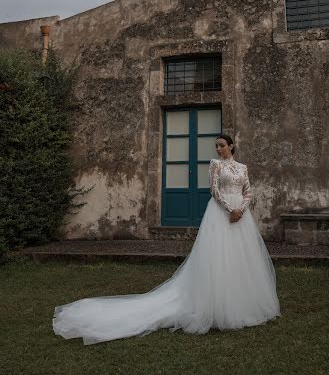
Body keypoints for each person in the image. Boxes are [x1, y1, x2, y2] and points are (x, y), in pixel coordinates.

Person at [52, 134, 281, 344]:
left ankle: (242, 304)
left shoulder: (242, 167)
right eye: (216, 146)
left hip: (241, 216)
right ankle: (215, 305)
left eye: (222, 145)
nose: (218, 149)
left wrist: (241, 209)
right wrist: (230, 209)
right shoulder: (215, 165)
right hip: (221, 214)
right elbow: (214, 190)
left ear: (231, 146)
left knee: (241, 259)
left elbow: (248, 190)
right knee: (218, 258)